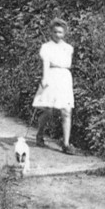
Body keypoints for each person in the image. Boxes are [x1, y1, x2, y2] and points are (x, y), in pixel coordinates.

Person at [32, 18, 76, 155]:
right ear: (51, 32)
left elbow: (67, 64)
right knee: (48, 111)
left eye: (61, 32)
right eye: (55, 32)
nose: (58, 35)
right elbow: (46, 63)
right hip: (51, 76)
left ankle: (66, 144)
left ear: (65, 33)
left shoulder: (68, 48)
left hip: (64, 79)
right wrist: (44, 78)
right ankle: (39, 134)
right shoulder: (46, 47)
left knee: (66, 111)